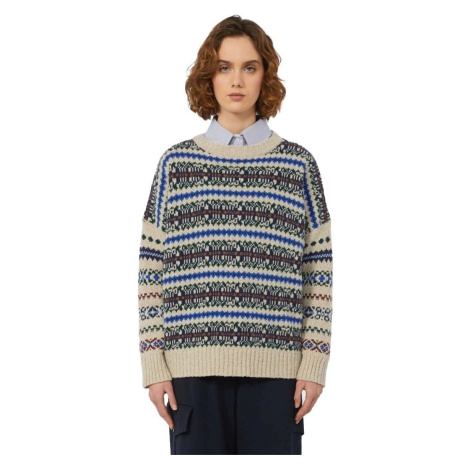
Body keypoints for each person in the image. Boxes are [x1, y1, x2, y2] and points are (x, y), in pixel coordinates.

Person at [137, 15, 333, 455]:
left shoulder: (298, 166)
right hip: (191, 372)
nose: (237, 80)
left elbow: (318, 272)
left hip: (278, 375)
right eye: (224, 67)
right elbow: (151, 270)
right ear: (209, 76)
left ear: (266, 75)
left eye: (250, 67)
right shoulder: (176, 165)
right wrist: (154, 364)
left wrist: (314, 363)